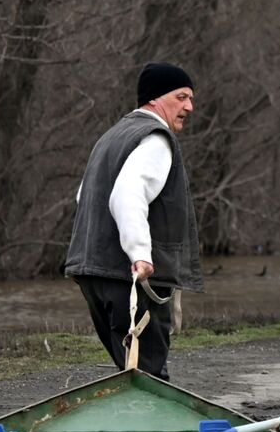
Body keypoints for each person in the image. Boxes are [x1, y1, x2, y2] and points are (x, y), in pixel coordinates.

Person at [64, 62, 204, 378]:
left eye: (190, 98)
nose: (189, 107)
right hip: (129, 276)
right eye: (181, 97)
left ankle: (131, 426)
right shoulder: (155, 139)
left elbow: (84, 197)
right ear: (155, 98)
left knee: (132, 369)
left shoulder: (112, 136)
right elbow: (126, 195)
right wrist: (140, 253)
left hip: (94, 274)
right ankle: (157, 428)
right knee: (150, 375)